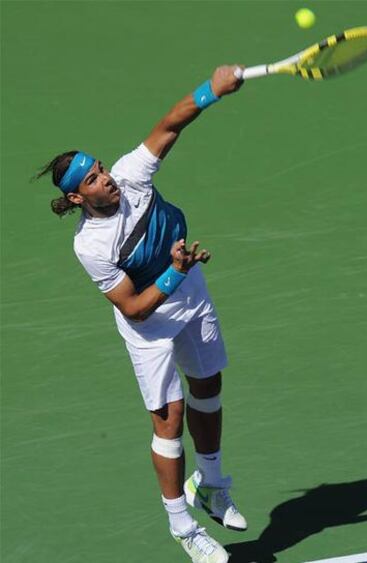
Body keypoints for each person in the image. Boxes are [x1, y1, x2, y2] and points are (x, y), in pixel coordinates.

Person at [37, 65, 246, 563]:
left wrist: (211, 91)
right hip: (149, 324)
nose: (106, 179)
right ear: (76, 198)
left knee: (208, 385)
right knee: (169, 419)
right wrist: (173, 273)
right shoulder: (90, 246)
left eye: (102, 169)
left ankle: (212, 484)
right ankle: (182, 525)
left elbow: (171, 124)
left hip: (190, 289)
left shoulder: (132, 175)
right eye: (93, 180)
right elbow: (132, 305)